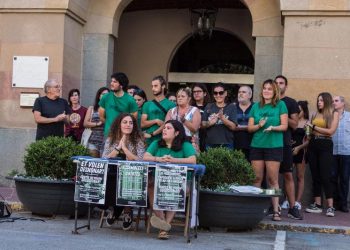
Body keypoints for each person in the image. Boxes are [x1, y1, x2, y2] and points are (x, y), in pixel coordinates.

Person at [143, 120, 196, 240]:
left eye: (168, 128)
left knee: (175, 187)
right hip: (158, 181)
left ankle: (163, 227)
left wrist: (173, 160)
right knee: (151, 187)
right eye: (164, 128)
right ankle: (165, 225)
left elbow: (193, 160)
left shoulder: (185, 145)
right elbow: (146, 156)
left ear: (177, 132)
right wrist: (158, 158)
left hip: (180, 182)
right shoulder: (157, 143)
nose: (164, 130)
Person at [248, 79, 288, 222]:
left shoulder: (280, 105)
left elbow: (285, 126)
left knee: (272, 180)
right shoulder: (255, 106)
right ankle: (254, 210)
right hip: (257, 145)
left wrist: (273, 128)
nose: (266, 91)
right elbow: (249, 128)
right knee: (257, 179)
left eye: (270, 89)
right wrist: (259, 125)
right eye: (264, 88)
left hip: (274, 145)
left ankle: (276, 210)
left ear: (275, 91)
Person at [102, 113, 146, 230]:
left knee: (127, 178)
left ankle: (125, 210)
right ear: (119, 124)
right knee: (111, 179)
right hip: (113, 174)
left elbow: (141, 160)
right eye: (125, 122)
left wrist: (125, 149)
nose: (128, 125)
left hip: (132, 174)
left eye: (131, 123)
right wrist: (117, 148)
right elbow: (104, 158)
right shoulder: (111, 139)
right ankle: (115, 208)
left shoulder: (138, 140)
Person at [305, 92, 339, 217]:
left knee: (326, 176)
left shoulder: (333, 113)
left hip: (326, 145)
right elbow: (309, 132)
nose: (319, 102)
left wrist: (313, 126)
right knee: (315, 176)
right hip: (313, 144)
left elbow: (330, 132)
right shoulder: (314, 113)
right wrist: (308, 130)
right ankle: (318, 205)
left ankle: (330, 206)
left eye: (321, 100)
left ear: (327, 101)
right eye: (318, 100)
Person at [275, 75, 303, 220]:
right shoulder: (266, 102)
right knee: (270, 177)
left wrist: (281, 117)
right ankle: (273, 207)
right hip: (269, 143)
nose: (278, 85)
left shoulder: (291, 102)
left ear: (286, 86)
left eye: (281, 83)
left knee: (287, 174)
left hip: (285, 142)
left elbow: (294, 124)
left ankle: (292, 207)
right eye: (276, 83)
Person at [99, 72, 138, 137]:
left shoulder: (130, 100)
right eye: (111, 81)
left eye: (115, 82)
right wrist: (110, 125)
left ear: (121, 85)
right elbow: (101, 117)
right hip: (109, 135)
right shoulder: (106, 97)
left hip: (124, 136)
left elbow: (133, 120)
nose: (111, 83)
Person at [141, 75, 176, 145]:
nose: (153, 88)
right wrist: (155, 121)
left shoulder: (172, 105)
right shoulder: (147, 104)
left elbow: (169, 124)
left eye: (156, 86)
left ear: (163, 86)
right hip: (148, 141)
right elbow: (142, 124)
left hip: (164, 140)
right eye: (152, 86)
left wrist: (153, 134)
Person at [202, 82, 237, 149]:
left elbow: (233, 127)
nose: (218, 95)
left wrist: (223, 118)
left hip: (227, 144)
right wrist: (210, 123)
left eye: (221, 92)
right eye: (215, 93)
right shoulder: (209, 106)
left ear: (225, 93)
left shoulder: (231, 107)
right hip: (210, 143)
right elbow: (203, 124)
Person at [332, 96, 350, 213]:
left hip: (346, 151)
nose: (334, 103)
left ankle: (343, 204)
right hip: (332, 151)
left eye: (336, 101)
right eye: (333, 101)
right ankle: (335, 202)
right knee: (332, 178)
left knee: (344, 178)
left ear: (343, 103)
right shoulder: (330, 116)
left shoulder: (349, 116)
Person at [291, 101, 310, 209]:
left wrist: (298, 148)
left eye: (299, 110)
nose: (297, 112)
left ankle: (298, 201)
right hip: (290, 151)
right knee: (288, 176)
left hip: (301, 152)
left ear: (304, 110)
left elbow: (308, 141)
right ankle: (289, 200)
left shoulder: (307, 123)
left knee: (300, 177)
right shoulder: (293, 122)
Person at [83, 87, 110, 157]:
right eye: (103, 94)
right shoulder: (92, 108)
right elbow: (85, 123)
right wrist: (97, 124)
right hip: (93, 141)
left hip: (106, 142)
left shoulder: (112, 109)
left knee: (104, 166)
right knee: (94, 165)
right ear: (99, 96)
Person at [234, 85, 253, 160]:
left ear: (250, 95)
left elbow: (258, 125)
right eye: (239, 92)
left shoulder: (256, 107)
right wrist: (248, 127)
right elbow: (230, 125)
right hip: (235, 143)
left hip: (252, 143)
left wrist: (239, 127)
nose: (240, 94)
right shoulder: (232, 107)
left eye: (243, 92)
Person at [191, 83, 211, 151]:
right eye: (194, 92)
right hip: (193, 138)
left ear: (205, 93)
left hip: (207, 138)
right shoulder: (189, 107)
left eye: (199, 91)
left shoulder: (210, 107)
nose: (196, 93)